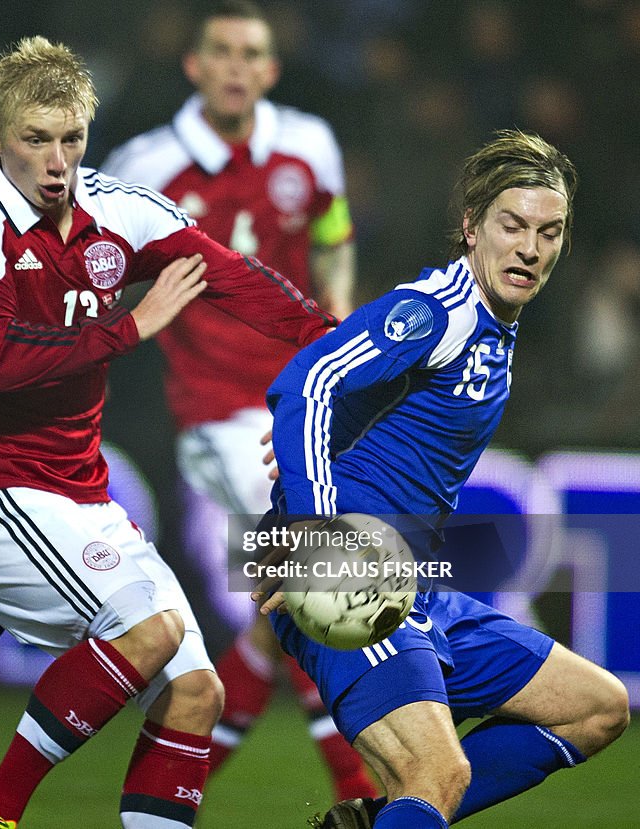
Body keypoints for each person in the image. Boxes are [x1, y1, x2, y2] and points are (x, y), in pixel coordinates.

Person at [0, 35, 334, 829]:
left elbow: (240, 280)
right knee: (149, 630)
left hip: (82, 495)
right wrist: (131, 326)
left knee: (195, 691)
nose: (55, 161)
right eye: (35, 140)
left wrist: (343, 344)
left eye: (69, 139)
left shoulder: (121, 210)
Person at [254, 130, 629, 829]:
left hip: (413, 579)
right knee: (439, 769)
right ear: (472, 227)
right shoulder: (439, 310)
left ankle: (380, 819)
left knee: (598, 706)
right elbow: (306, 382)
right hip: (349, 569)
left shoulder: (496, 326)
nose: (530, 248)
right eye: (512, 226)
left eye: (549, 232)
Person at [102, 0, 376, 801]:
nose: (234, 65)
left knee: (273, 621)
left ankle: (162, 790)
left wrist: (340, 313)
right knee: (311, 579)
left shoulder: (309, 144)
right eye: (219, 50)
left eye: (250, 52)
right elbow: (94, 270)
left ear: (270, 69)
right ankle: (360, 789)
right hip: (215, 414)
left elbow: (334, 232)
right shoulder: (146, 165)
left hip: (303, 404)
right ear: (195, 65)